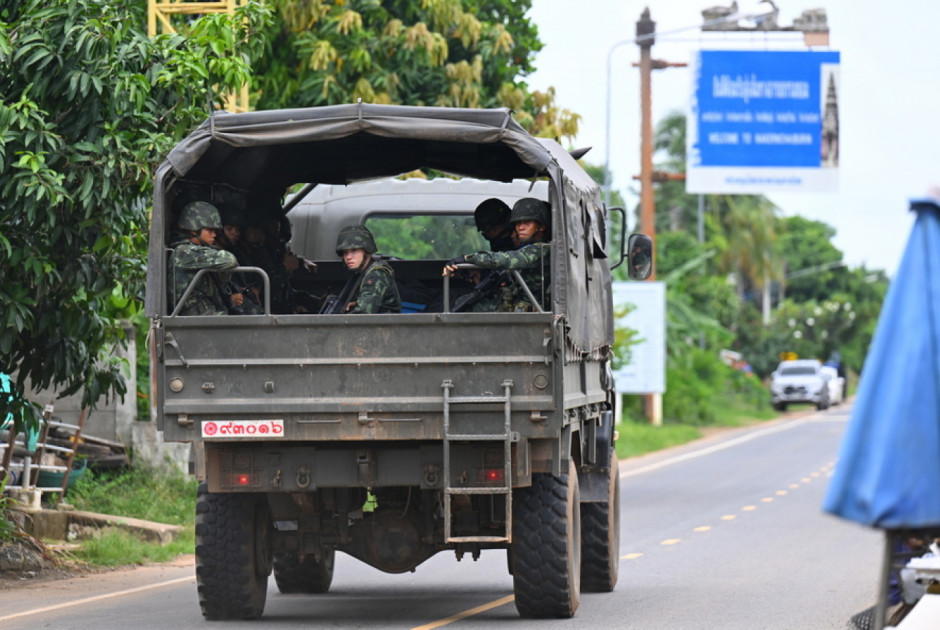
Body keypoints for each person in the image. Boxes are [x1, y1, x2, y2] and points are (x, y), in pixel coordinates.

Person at [443, 197, 551, 312]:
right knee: (463, 303)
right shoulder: (529, 249)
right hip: (516, 305)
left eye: (527, 223)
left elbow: (508, 259)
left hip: (530, 311)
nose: (520, 227)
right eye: (517, 223)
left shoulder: (542, 250)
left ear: (541, 226)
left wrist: (467, 259)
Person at [168, 201, 238, 316]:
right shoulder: (184, 252)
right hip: (195, 316)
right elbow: (229, 260)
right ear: (194, 230)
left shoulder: (194, 250)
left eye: (214, 231)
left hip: (204, 313)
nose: (214, 235)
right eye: (209, 230)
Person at [333, 225, 401, 314]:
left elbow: (363, 313)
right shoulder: (363, 272)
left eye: (354, 250)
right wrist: (357, 303)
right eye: (345, 252)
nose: (348, 257)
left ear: (367, 251)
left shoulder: (376, 275)